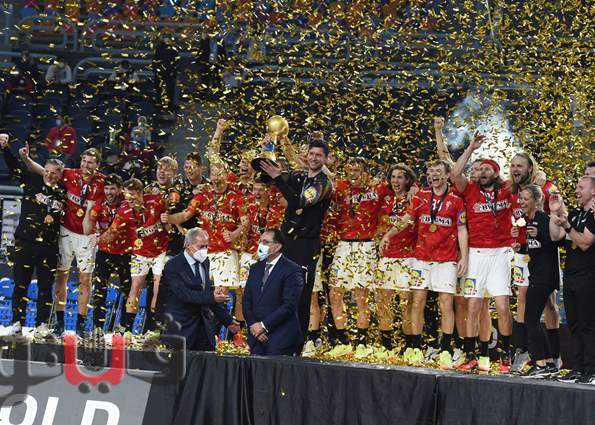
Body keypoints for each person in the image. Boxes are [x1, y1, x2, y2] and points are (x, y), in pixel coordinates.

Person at [381, 160, 468, 369]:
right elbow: (406, 219)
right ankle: (416, 346)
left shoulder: (456, 200)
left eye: (438, 171)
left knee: (445, 304)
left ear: (447, 176)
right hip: (421, 258)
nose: (433, 175)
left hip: (446, 259)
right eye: (430, 172)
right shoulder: (421, 196)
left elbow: (461, 229)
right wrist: (388, 235)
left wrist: (464, 257)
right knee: (417, 301)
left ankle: (446, 349)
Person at [20, 147, 105, 335]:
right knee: (61, 276)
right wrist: (26, 158)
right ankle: (59, 321)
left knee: (85, 279)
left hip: (87, 236)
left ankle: (80, 324)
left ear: (97, 165)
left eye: (90, 162)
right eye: (84, 161)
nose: (86, 165)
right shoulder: (69, 174)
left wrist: (102, 232)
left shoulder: (103, 182)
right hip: (65, 231)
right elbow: (43, 171)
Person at [259, 139, 333, 351]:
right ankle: (278, 339)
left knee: (301, 296)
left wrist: (278, 178)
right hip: (287, 243)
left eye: (319, 155)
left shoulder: (324, 184)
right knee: (279, 290)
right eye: (312, 154)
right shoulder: (298, 176)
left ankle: (297, 345)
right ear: (306, 155)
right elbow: (267, 178)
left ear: (325, 159)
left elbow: (299, 201)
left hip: (306, 246)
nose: (314, 158)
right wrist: (268, 151)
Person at [452, 133, 514, 373]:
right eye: (481, 169)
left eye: (488, 169)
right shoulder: (469, 190)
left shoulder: (507, 189)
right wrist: (471, 147)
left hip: (501, 253)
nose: (483, 172)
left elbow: (526, 176)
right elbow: (455, 173)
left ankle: (506, 355)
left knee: (502, 306)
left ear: (496, 173)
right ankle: (471, 355)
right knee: (473, 306)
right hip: (477, 254)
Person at [0, 135, 65, 338]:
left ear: (60, 175)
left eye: (54, 173)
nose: (50, 175)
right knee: (20, 284)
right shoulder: (32, 180)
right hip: (25, 242)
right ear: (43, 170)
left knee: (45, 288)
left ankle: (41, 325)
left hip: (49, 246)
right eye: (47, 171)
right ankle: (17, 323)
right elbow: (15, 168)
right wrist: (5, 148)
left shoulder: (64, 192)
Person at [325, 157, 383, 358]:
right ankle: (343, 341)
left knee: (361, 296)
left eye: (357, 170)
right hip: (343, 245)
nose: (352, 174)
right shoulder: (340, 187)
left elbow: (403, 185)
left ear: (366, 173)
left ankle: (361, 342)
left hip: (365, 246)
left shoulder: (378, 188)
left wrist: (413, 188)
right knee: (335, 293)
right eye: (350, 170)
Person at [103, 178, 169, 333]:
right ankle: (127, 329)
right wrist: (98, 238)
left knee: (157, 287)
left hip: (160, 251)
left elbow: (169, 219)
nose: (129, 198)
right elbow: (112, 231)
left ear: (140, 193)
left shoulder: (156, 201)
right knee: (135, 287)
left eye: (132, 195)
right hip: (139, 252)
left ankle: (154, 328)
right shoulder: (123, 209)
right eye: (127, 195)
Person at [511, 185, 562, 378]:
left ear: (537, 200)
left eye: (525, 199)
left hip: (544, 276)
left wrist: (539, 235)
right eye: (520, 199)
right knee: (532, 319)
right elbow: (536, 247)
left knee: (531, 319)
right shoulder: (529, 221)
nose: (521, 202)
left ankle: (540, 364)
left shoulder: (544, 219)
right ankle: (548, 362)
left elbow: (556, 243)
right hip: (537, 275)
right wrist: (521, 247)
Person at [162, 228, 240, 351]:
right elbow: (184, 294)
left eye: (206, 246)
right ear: (188, 245)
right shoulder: (173, 265)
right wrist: (211, 296)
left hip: (203, 329)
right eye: (201, 246)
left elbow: (207, 294)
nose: (204, 250)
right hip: (181, 329)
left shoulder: (205, 262)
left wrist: (227, 320)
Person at [550, 176, 595, 384]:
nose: (576, 190)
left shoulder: (593, 215)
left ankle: (591, 370)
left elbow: (585, 242)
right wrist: (555, 212)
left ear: (593, 191)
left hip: (588, 276)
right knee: (574, 324)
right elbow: (555, 236)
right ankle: (577, 368)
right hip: (570, 276)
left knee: (588, 324)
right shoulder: (576, 214)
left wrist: (568, 226)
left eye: (581, 187)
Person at [375, 164, 417, 357]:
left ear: (408, 180)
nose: (396, 181)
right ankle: (387, 346)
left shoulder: (415, 198)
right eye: (393, 177)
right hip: (386, 257)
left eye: (400, 177)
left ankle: (410, 346)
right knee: (383, 302)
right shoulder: (384, 196)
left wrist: (415, 188)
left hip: (408, 258)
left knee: (406, 304)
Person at [243, 229, 304, 355]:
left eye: (265, 242)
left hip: (281, 338)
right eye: (260, 241)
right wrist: (254, 326)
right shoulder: (255, 268)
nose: (261, 245)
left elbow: (289, 305)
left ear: (277, 247)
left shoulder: (292, 270)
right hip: (256, 339)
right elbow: (247, 300)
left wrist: (263, 326)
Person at [83, 174, 130, 333]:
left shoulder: (126, 203)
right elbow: (87, 229)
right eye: (107, 188)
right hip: (105, 252)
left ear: (120, 189)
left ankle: (123, 328)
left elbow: (114, 231)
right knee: (99, 289)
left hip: (125, 252)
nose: (109, 192)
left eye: (113, 189)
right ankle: (97, 327)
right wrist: (89, 212)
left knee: (128, 291)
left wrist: (97, 239)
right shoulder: (99, 204)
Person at [152, 36, 179, 111]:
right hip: (161, 72)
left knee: (170, 90)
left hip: (169, 73)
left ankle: (169, 105)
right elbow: (155, 59)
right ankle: (159, 104)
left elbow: (176, 61)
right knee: (159, 89)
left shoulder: (173, 49)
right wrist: (156, 70)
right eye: (166, 38)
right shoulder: (159, 48)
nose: (167, 40)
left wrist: (174, 72)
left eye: (168, 38)